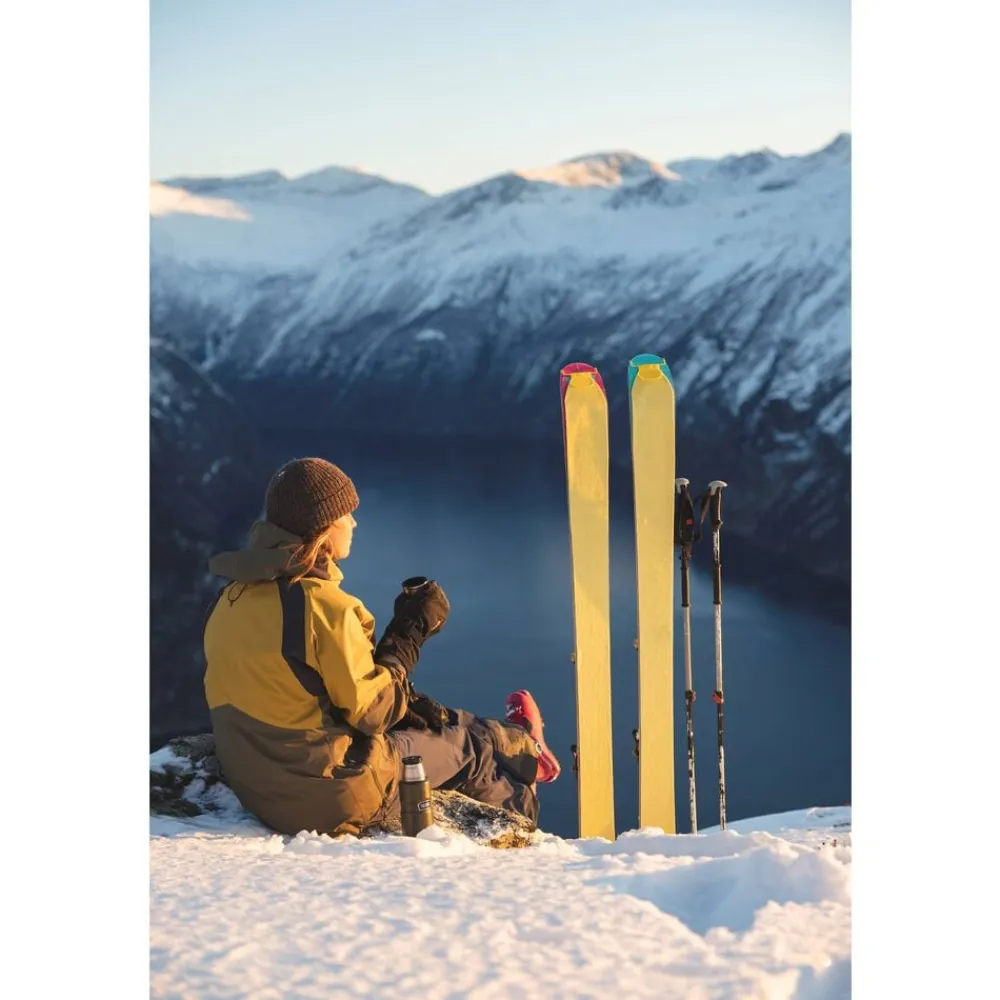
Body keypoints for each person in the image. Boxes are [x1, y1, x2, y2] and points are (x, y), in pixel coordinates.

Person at [203, 456, 561, 838]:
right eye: (346, 514)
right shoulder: (322, 608)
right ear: (322, 527)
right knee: (474, 750)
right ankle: (524, 832)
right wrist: (410, 633)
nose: (354, 523)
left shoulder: (231, 599)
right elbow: (373, 714)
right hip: (327, 795)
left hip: (258, 783)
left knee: (442, 721)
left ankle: (521, 745)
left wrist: (401, 690)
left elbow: (301, 687)